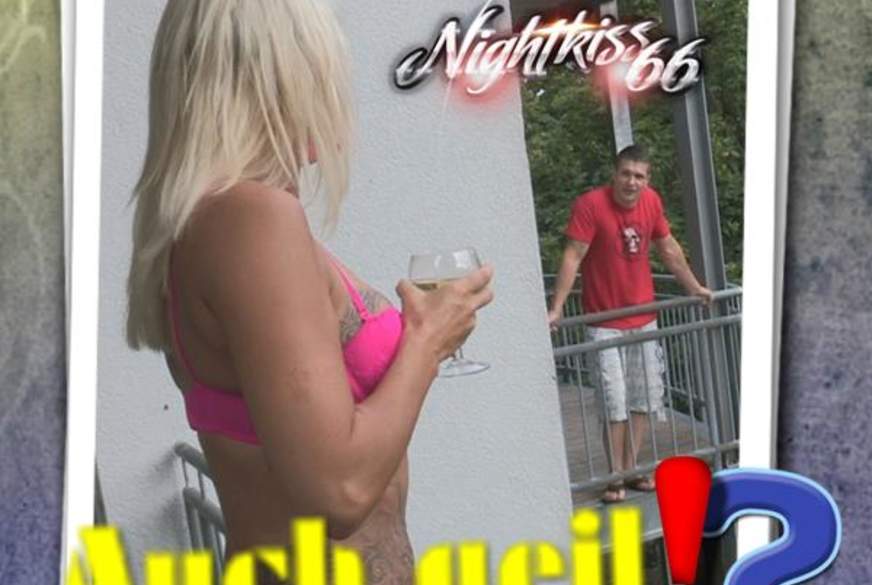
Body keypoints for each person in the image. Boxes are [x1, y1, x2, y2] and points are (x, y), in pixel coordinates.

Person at [125, 2, 494, 583]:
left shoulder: (209, 224)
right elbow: (339, 491)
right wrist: (427, 341)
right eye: (317, 72)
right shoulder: (248, 217)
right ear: (272, 81)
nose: (331, 97)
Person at [547, 144, 712, 503]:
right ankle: (614, 476)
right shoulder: (591, 205)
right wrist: (557, 307)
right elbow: (573, 256)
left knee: (642, 399)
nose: (631, 182)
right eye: (626, 174)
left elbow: (669, 249)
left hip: (644, 319)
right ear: (615, 173)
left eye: (639, 176)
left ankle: (631, 468)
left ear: (647, 179)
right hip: (604, 323)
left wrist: (695, 288)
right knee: (614, 401)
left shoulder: (651, 202)